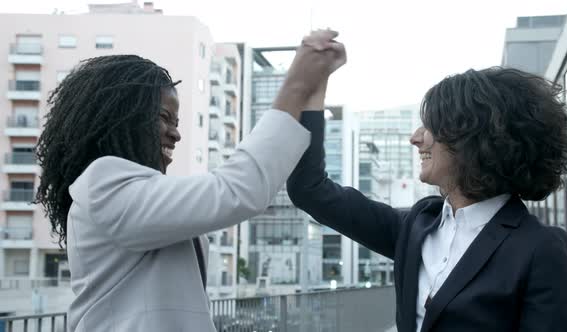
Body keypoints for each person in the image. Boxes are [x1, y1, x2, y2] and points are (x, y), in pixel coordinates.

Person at [34, 30, 346, 332]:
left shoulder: (128, 190)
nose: (176, 133)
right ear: (120, 119)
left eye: (177, 121)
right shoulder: (103, 183)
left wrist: (312, 89)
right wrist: (297, 85)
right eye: (164, 118)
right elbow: (238, 189)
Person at [287, 67, 567, 332]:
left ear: (472, 140)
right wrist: (313, 89)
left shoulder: (538, 249)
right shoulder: (416, 225)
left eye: (429, 128)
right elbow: (309, 189)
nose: (415, 138)